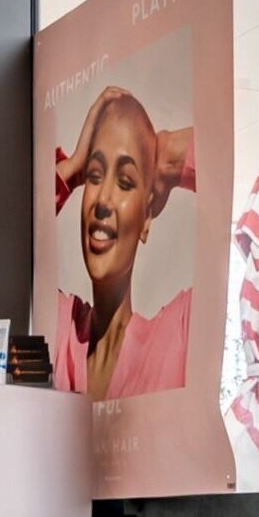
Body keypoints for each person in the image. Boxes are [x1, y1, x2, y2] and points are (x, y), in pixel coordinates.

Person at [51, 86, 196, 401]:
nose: (103, 199)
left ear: (146, 218)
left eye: (125, 182)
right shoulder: (61, 329)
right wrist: (71, 169)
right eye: (94, 175)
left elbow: (229, 162)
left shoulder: (179, 333)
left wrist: (169, 154)